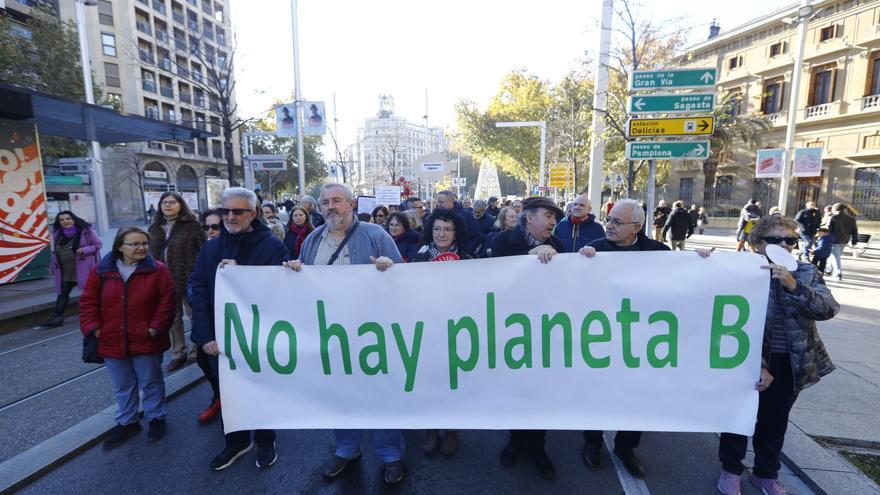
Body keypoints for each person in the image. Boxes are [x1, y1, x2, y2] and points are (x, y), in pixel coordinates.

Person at [282, 183, 405, 484]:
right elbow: (305, 285)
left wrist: (390, 268)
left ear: (350, 204)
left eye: (337, 201)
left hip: (372, 333)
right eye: (325, 202)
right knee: (338, 393)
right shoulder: (312, 240)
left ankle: (390, 453)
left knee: (379, 392)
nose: (330, 207)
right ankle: (347, 448)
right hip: (331, 334)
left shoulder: (376, 235)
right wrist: (295, 270)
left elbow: (403, 276)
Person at [715, 215, 838, 495]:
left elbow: (828, 309)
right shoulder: (741, 272)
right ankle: (730, 469)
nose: (783, 244)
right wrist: (756, 364)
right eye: (774, 240)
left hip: (792, 362)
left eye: (790, 240)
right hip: (747, 360)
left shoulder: (805, 273)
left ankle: (766, 474)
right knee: (738, 418)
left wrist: (794, 285)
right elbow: (727, 318)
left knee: (774, 421)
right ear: (757, 244)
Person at [189, 187, 288, 471]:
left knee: (261, 390)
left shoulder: (272, 247)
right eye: (225, 211)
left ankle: (265, 439)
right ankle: (236, 442)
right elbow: (199, 290)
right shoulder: (210, 248)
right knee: (229, 393)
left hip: (259, 339)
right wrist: (205, 336)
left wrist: (242, 274)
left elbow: (279, 293)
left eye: (237, 211)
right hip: (219, 341)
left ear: (253, 214)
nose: (230, 216)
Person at [578, 199, 670, 479]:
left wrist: (702, 258)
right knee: (599, 393)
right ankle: (592, 443)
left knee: (635, 396)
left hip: (641, 340)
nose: (609, 225)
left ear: (637, 227)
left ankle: (626, 448)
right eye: (609, 219)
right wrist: (581, 260)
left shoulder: (657, 252)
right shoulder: (596, 249)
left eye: (617, 222)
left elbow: (686, 273)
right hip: (603, 339)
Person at [79, 226, 176, 450]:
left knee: (151, 381)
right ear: (120, 247)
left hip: (146, 338)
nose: (141, 248)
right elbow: (87, 303)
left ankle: (156, 418)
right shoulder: (101, 271)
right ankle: (127, 422)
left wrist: (154, 328)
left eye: (144, 243)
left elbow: (167, 303)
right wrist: (95, 329)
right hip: (111, 338)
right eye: (135, 244)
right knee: (123, 385)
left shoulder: (158, 270)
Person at [491, 197, 565, 480]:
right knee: (515, 390)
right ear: (528, 217)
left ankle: (537, 447)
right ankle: (515, 440)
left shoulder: (556, 246)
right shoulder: (501, 242)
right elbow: (496, 280)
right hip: (510, 331)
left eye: (555, 218)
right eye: (548, 215)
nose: (553, 222)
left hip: (542, 332)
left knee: (539, 391)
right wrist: (530, 259)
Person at [148, 191, 205, 372]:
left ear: (180, 205)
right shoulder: (154, 227)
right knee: (173, 319)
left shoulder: (192, 226)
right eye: (164, 202)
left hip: (188, 277)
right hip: (164, 280)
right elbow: (150, 254)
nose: (168, 205)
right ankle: (178, 352)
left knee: (194, 316)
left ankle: (197, 350)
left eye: (172, 202)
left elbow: (203, 251)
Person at [40, 211, 103, 327]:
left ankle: (97, 315)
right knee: (62, 294)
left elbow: (98, 244)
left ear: (74, 219)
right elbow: (55, 252)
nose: (65, 221)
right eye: (62, 220)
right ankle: (56, 318)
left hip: (84, 268)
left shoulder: (87, 231)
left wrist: (84, 250)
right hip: (65, 271)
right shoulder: (57, 233)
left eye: (68, 218)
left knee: (89, 294)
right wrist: (52, 266)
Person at [194, 209, 223, 424]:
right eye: (207, 227)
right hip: (209, 322)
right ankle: (218, 398)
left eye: (216, 226)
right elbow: (197, 283)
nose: (211, 231)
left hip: (234, 324)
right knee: (207, 363)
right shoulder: (205, 251)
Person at [435, 190, 482, 256]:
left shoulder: (466, 215)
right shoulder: (437, 215)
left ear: (450, 202)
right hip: (439, 255)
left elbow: (477, 236)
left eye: (441, 202)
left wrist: (465, 252)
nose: (438, 204)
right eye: (438, 202)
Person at [827, 203, 858, 281]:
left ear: (835, 209)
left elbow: (829, 230)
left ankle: (838, 273)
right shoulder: (851, 218)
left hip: (834, 240)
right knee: (835, 256)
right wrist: (854, 240)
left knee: (835, 257)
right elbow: (855, 230)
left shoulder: (833, 217)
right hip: (844, 240)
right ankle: (828, 269)